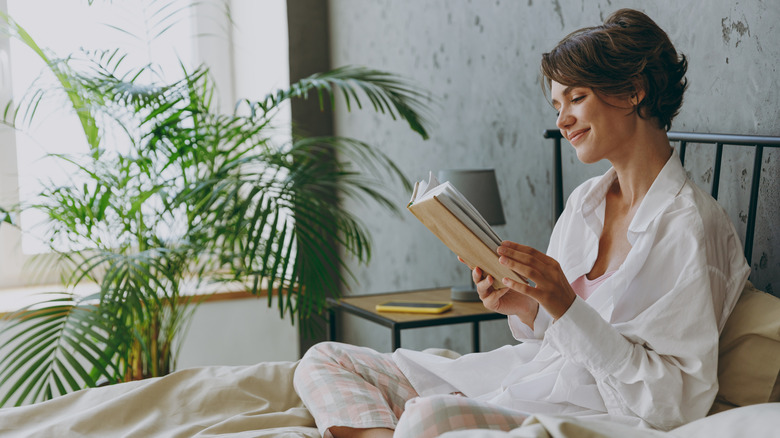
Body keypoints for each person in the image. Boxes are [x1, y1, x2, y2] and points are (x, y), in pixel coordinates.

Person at [293, 8, 750, 437]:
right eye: (557, 105)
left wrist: (565, 303)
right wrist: (527, 305)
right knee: (323, 358)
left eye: (576, 97)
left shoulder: (689, 226)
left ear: (634, 91)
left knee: (428, 417)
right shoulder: (585, 202)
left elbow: (677, 402)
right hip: (527, 377)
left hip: (587, 411)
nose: (564, 119)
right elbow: (558, 334)